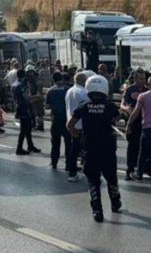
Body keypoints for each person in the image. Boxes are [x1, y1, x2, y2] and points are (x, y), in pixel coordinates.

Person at [67, 75, 122, 222]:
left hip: (90, 149)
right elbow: (118, 118)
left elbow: (70, 125)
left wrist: (78, 135)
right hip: (108, 149)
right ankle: (115, 203)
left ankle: (97, 210)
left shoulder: (83, 106)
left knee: (93, 180)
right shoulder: (110, 106)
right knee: (111, 178)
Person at [119, 69, 147, 180]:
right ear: (135, 78)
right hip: (132, 121)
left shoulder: (146, 90)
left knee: (145, 147)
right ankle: (130, 170)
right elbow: (122, 104)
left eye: (144, 78)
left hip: (144, 121)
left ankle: (144, 168)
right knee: (132, 147)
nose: (142, 81)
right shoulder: (130, 89)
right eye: (140, 79)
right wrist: (127, 109)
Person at [64, 72, 89, 181]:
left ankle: (72, 173)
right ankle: (90, 174)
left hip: (71, 124)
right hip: (82, 125)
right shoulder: (83, 92)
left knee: (74, 150)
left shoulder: (69, 91)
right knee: (87, 151)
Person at [45, 71, 73, 170]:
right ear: (62, 78)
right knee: (68, 143)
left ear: (53, 80)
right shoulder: (67, 90)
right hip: (66, 119)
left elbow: (47, 106)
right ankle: (68, 164)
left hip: (55, 119)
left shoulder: (50, 91)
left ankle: (54, 163)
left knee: (55, 143)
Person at [13, 73, 40, 155]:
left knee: (27, 128)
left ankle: (30, 145)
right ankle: (19, 148)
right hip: (24, 108)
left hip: (20, 107)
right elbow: (26, 97)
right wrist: (36, 96)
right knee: (24, 129)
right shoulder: (21, 85)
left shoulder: (14, 84)